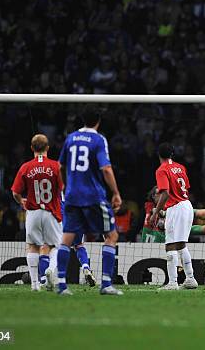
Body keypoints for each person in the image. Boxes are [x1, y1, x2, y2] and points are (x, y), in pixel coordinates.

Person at [56, 108, 123, 295]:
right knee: (111, 236)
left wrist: (66, 184)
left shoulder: (70, 138)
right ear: (98, 122)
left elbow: (60, 166)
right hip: (93, 196)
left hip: (71, 196)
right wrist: (116, 192)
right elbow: (106, 168)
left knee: (68, 238)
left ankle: (61, 285)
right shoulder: (99, 139)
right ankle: (106, 284)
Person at [11, 134, 63, 291]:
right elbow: (62, 188)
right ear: (47, 148)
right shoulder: (56, 166)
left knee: (33, 246)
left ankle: (34, 285)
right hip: (51, 212)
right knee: (55, 246)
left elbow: (15, 192)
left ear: (32, 148)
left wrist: (21, 201)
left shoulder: (25, 167)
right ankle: (50, 270)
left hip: (33, 212)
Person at [151, 142, 197, 290]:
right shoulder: (181, 167)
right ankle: (190, 279)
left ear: (159, 155)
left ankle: (172, 283)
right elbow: (185, 188)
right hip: (187, 205)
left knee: (170, 245)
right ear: (172, 154)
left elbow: (165, 193)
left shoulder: (161, 169)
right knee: (181, 244)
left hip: (176, 207)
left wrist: (156, 212)